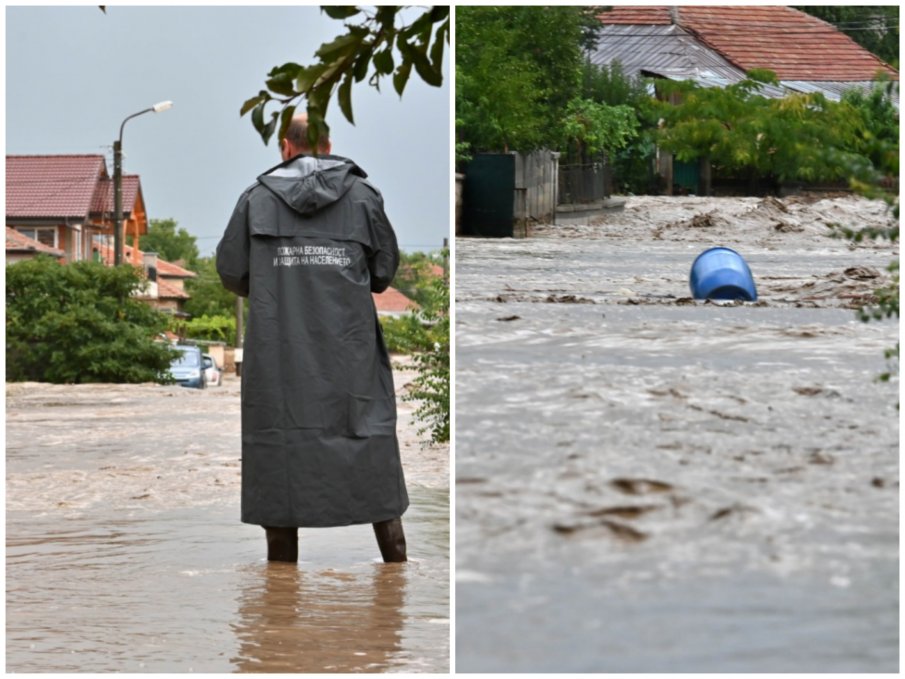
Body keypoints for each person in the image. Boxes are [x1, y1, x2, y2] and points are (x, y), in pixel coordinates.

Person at [216, 115, 408, 563]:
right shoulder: (363, 197)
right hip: (353, 366)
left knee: (279, 466)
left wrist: (276, 282)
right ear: (328, 145)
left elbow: (232, 273)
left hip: (279, 365)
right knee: (372, 452)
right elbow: (383, 274)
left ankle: (280, 608)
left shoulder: (256, 199)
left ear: (286, 147)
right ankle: (396, 578)